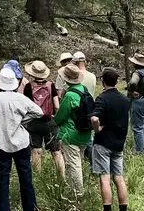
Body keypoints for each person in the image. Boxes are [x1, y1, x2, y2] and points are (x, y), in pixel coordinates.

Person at [0, 67, 41, 211]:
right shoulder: (20, 98)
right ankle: (30, 207)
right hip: (21, 143)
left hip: (1, 143)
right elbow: (39, 112)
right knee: (26, 178)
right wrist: (22, 121)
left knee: (2, 180)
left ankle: (3, 208)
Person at [90, 68, 132, 211]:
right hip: (119, 143)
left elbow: (95, 118)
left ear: (103, 81)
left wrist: (97, 129)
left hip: (103, 143)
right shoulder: (125, 100)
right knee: (119, 178)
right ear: (117, 81)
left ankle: (107, 209)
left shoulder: (102, 98)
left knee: (105, 178)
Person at [53, 65, 92, 201]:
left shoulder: (69, 95)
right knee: (77, 161)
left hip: (71, 134)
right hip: (85, 133)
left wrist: (54, 122)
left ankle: (77, 195)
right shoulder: (84, 90)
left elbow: (61, 116)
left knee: (74, 165)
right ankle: (73, 190)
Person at [22, 61, 64, 183]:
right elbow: (57, 106)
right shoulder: (51, 85)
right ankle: (62, 179)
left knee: (36, 151)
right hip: (50, 121)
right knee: (56, 152)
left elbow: (26, 106)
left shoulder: (28, 86)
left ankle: (38, 180)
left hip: (34, 122)